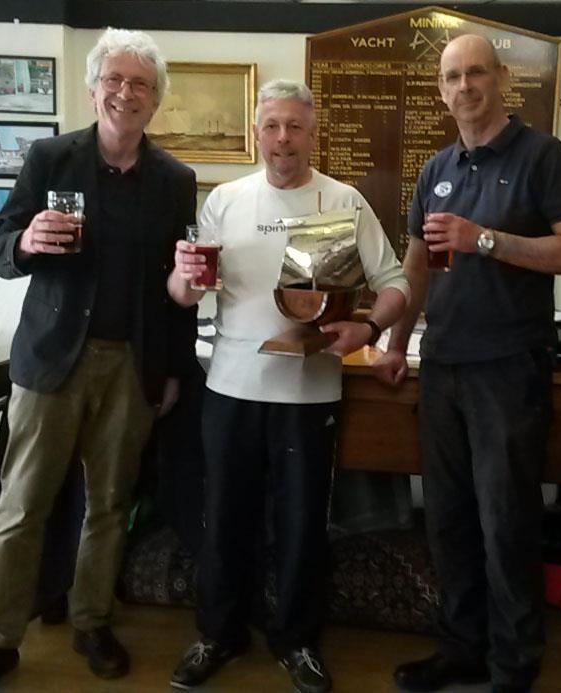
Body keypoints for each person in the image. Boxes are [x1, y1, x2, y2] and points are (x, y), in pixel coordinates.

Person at [0, 27, 197, 693]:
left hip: (132, 366)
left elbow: (180, 289)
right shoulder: (49, 157)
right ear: (94, 90)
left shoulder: (176, 180)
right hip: (50, 360)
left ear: (156, 100)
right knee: (23, 504)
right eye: (114, 80)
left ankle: (93, 619)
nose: (126, 92)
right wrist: (26, 240)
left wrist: (173, 370)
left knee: (111, 503)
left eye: (140, 84)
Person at [167, 79, 409, 693]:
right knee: (223, 519)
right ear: (256, 133)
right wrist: (185, 278)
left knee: (303, 524)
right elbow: (184, 291)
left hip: (310, 393)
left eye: (295, 126)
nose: (283, 139)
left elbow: (396, 282)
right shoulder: (223, 200)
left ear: (313, 133)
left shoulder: (343, 200)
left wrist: (369, 326)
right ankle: (218, 634)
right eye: (272, 126)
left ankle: (297, 641)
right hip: (230, 388)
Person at [375, 35, 561, 693]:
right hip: (443, 365)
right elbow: (416, 266)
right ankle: (463, 646)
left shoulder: (543, 156)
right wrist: (394, 345)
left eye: (476, 72)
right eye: (451, 76)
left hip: (510, 366)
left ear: (501, 79)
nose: (464, 85)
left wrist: (485, 239)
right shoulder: (436, 165)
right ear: (440, 91)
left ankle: (513, 663)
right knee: (448, 519)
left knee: (506, 520)